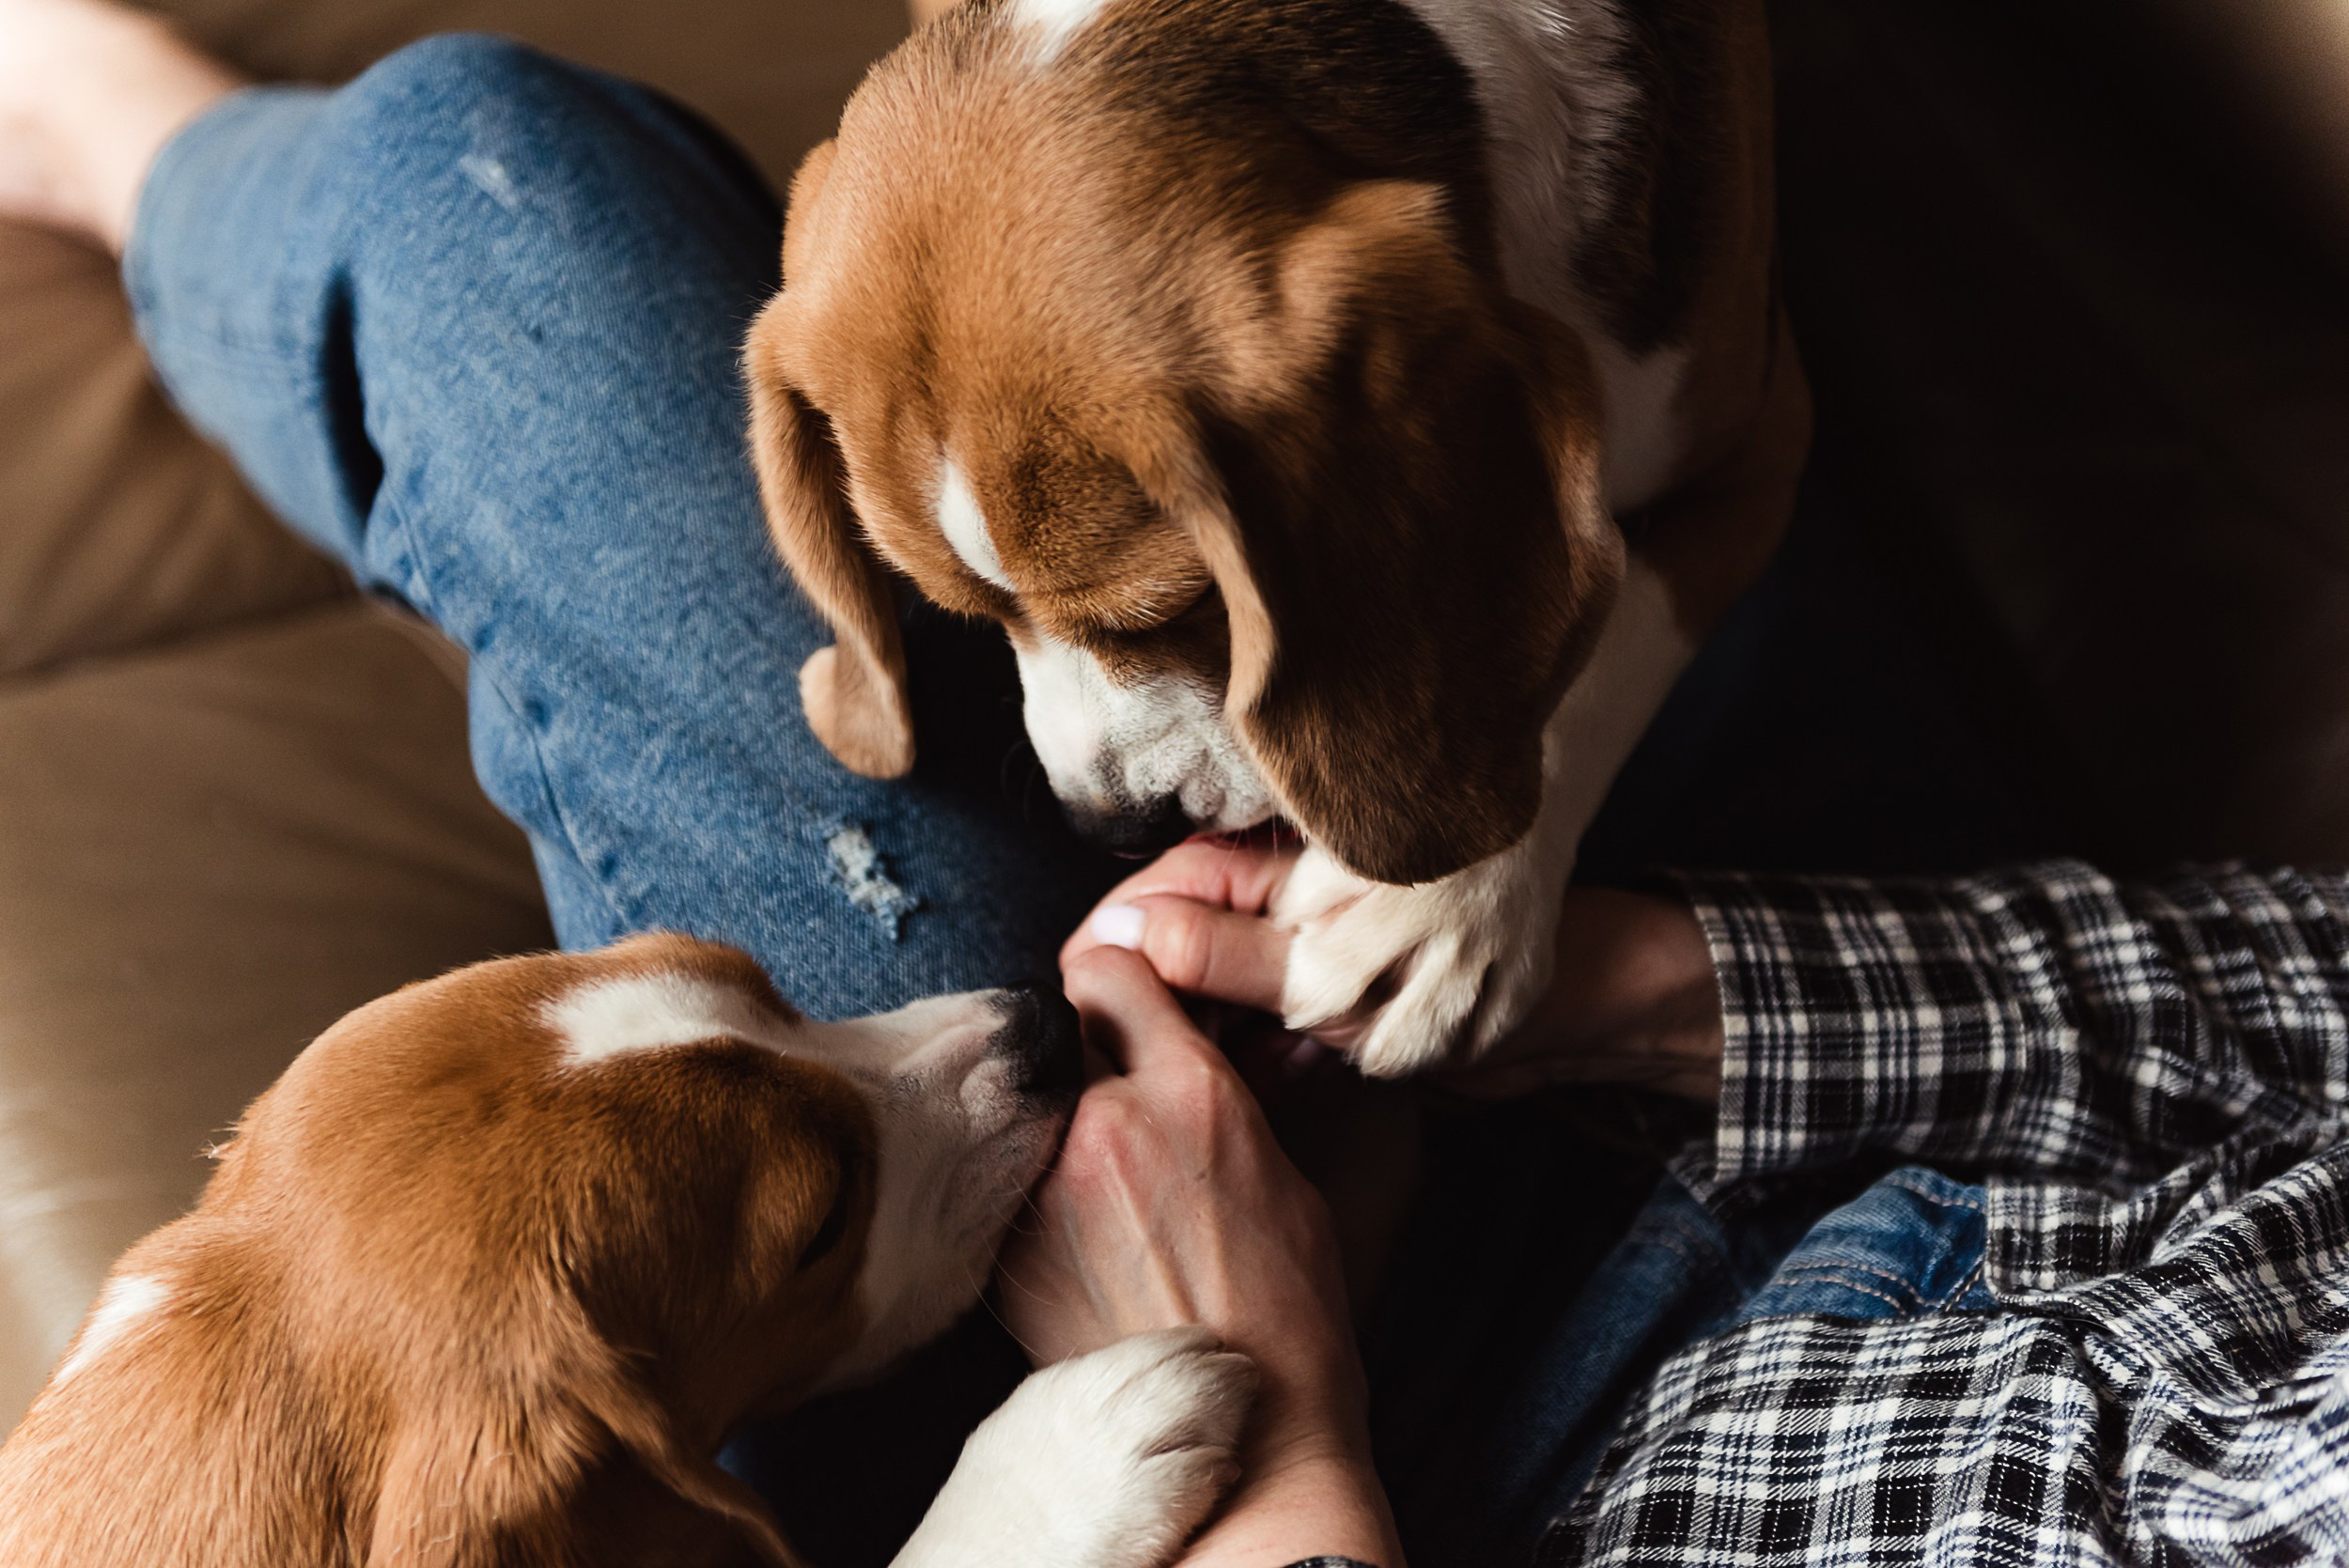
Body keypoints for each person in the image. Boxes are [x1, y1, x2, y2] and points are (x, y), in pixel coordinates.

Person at [3, 7, 2344, 1564]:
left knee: (465, 201)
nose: (1083, 766)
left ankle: (110, 141)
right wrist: (1658, 974)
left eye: (1118, 625)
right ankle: (147, 156)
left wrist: (1302, 1461)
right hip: (1916, 1030)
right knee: (478, 147)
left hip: (1393, 1459)